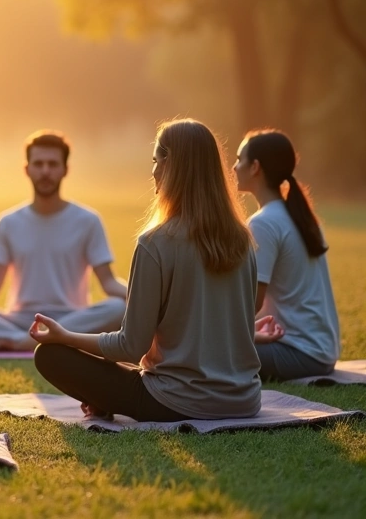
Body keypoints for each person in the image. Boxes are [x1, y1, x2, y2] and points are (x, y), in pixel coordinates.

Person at [30, 119, 261, 421]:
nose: (152, 171)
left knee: (49, 355)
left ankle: (105, 396)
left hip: (174, 402)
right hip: (244, 400)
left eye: (155, 160)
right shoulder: (243, 240)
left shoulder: (155, 243)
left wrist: (66, 337)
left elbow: (130, 345)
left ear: (170, 166)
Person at [0, 130, 127, 351]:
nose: (45, 171)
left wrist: (152, 297)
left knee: (119, 307)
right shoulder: (8, 222)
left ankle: (15, 343)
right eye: (38, 164)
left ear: (65, 170)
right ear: (27, 169)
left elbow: (109, 283)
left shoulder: (88, 221)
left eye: (52, 164)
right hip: (19, 321)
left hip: (72, 320)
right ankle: (29, 341)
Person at [234, 129, 340, 381]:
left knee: (207, 351)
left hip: (298, 353)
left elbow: (252, 303)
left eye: (239, 159)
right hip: (320, 351)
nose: (234, 166)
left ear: (255, 167)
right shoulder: (300, 216)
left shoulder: (264, 223)